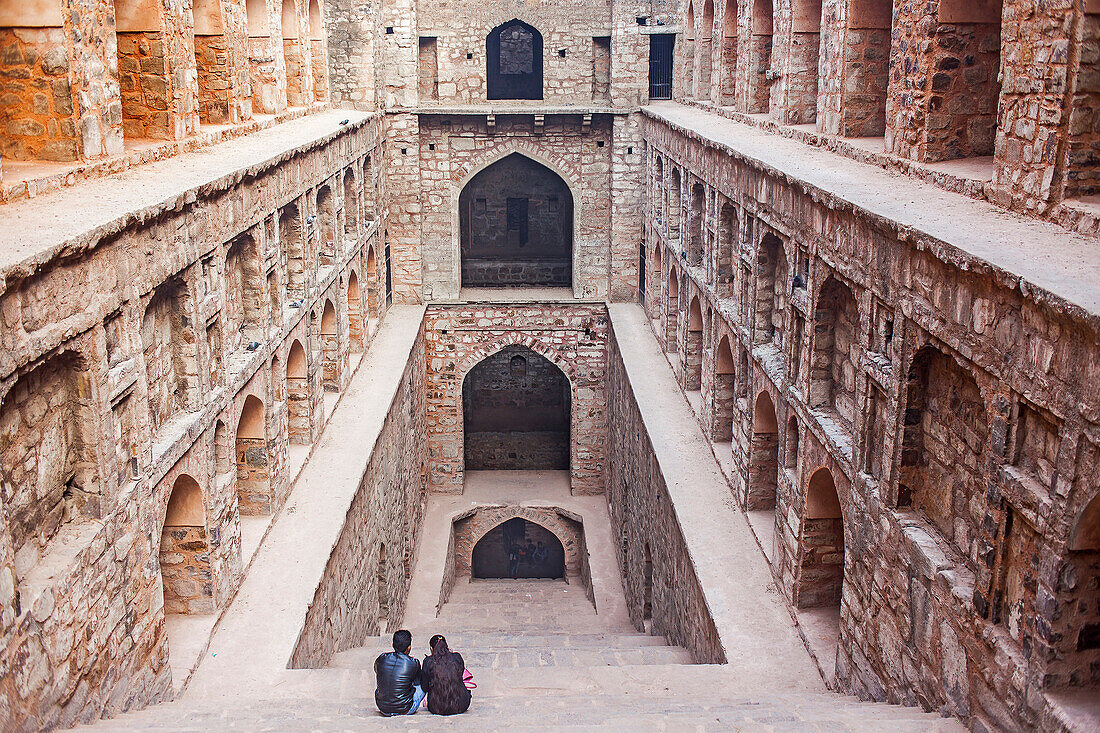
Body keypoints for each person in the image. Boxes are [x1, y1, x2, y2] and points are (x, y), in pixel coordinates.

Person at [374, 629, 424, 716]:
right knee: (422, 684)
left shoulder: (381, 658)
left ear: (393, 645)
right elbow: (417, 683)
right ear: (409, 647)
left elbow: (376, 670)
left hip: (382, 708)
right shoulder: (413, 663)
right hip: (405, 709)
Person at [421, 634, 472, 716]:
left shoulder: (428, 661)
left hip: (436, 707)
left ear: (431, 649)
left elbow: (424, 687)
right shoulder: (457, 657)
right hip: (461, 705)